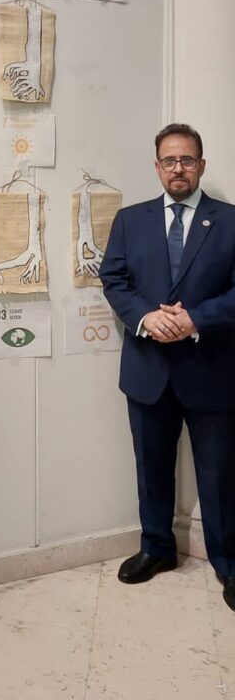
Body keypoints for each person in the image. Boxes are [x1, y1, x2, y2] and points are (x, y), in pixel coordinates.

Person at [99, 123, 235, 610]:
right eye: (170, 160)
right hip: (148, 369)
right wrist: (145, 318)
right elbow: (113, 278)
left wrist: (196, 319)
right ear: (157, 167)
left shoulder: (230, 220)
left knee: (219, 476)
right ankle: (157, 548)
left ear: (201, 164)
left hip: (212, 369)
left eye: (188, 160)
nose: (179, 168)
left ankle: (228, 563)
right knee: (151, 467)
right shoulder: (129, 220)